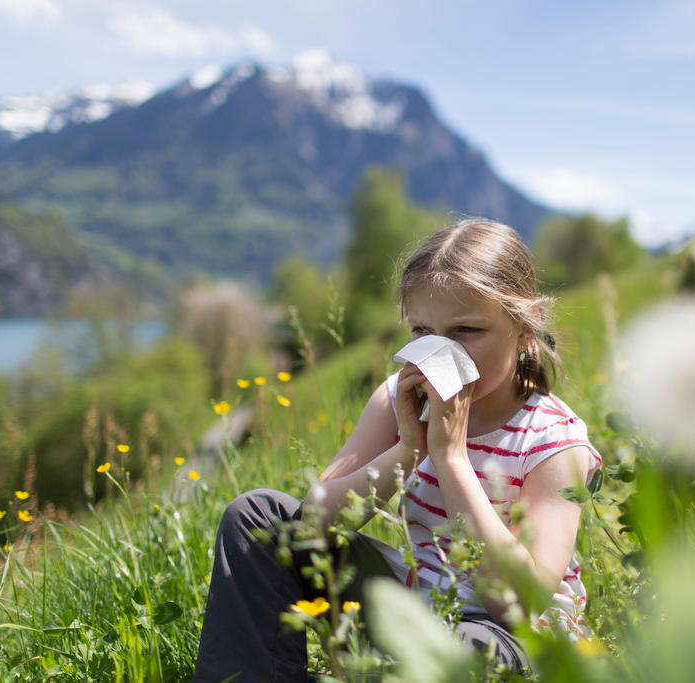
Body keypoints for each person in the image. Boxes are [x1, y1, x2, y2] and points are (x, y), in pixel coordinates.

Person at [193, 218, 602, 682]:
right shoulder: (398, 399)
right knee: (258, 517)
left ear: (526, 329)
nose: (440, 352)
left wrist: (450, 459)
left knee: (469, 651)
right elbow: (309, 525)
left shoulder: (553, 439)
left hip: (517, 642)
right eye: (422, 331)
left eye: (467, 330)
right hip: (417, 607)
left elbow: (518, 605)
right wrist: (410, 447)